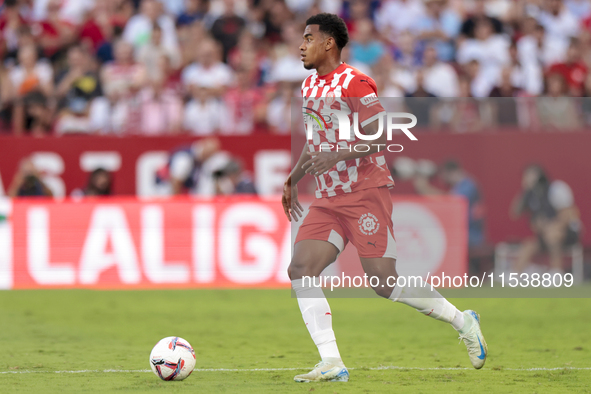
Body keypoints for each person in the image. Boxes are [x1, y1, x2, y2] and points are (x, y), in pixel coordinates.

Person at [282, 13, 488, 383]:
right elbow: (315, 144)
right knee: (300, 269)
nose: (301, 45)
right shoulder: (309, 87)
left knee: (383, 281)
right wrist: (293, 179)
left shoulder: (356, 82)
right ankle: (331, 362)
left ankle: (463, 321)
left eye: (308, 38)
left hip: (365, 192)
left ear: (329, 42)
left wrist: (337, 156)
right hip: (328, 198)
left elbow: (381, 136)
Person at [510, 165, 582, 274]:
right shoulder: (530, 195)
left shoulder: (556, 188)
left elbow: (568, 214)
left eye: (531, 176)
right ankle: (513, 275)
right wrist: (524, 192)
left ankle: (556, 273)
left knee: (552, 236)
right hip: (546, 234)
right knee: (529, 245)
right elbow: (514, 213)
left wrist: (551, 228)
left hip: (568, 232)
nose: (528, 179)